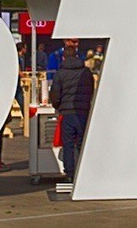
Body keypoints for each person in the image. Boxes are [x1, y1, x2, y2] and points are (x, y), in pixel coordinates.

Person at [48, 45, 95, 182]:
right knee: (82, 144)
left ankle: (70, 173)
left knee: (68, 145)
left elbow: (55, 94)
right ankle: (84, 172)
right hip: (83, 112)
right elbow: (90, 90)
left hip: (67, 113)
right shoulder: (86, 72)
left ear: (64, 57)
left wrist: (57, 106)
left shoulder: (60, 73)